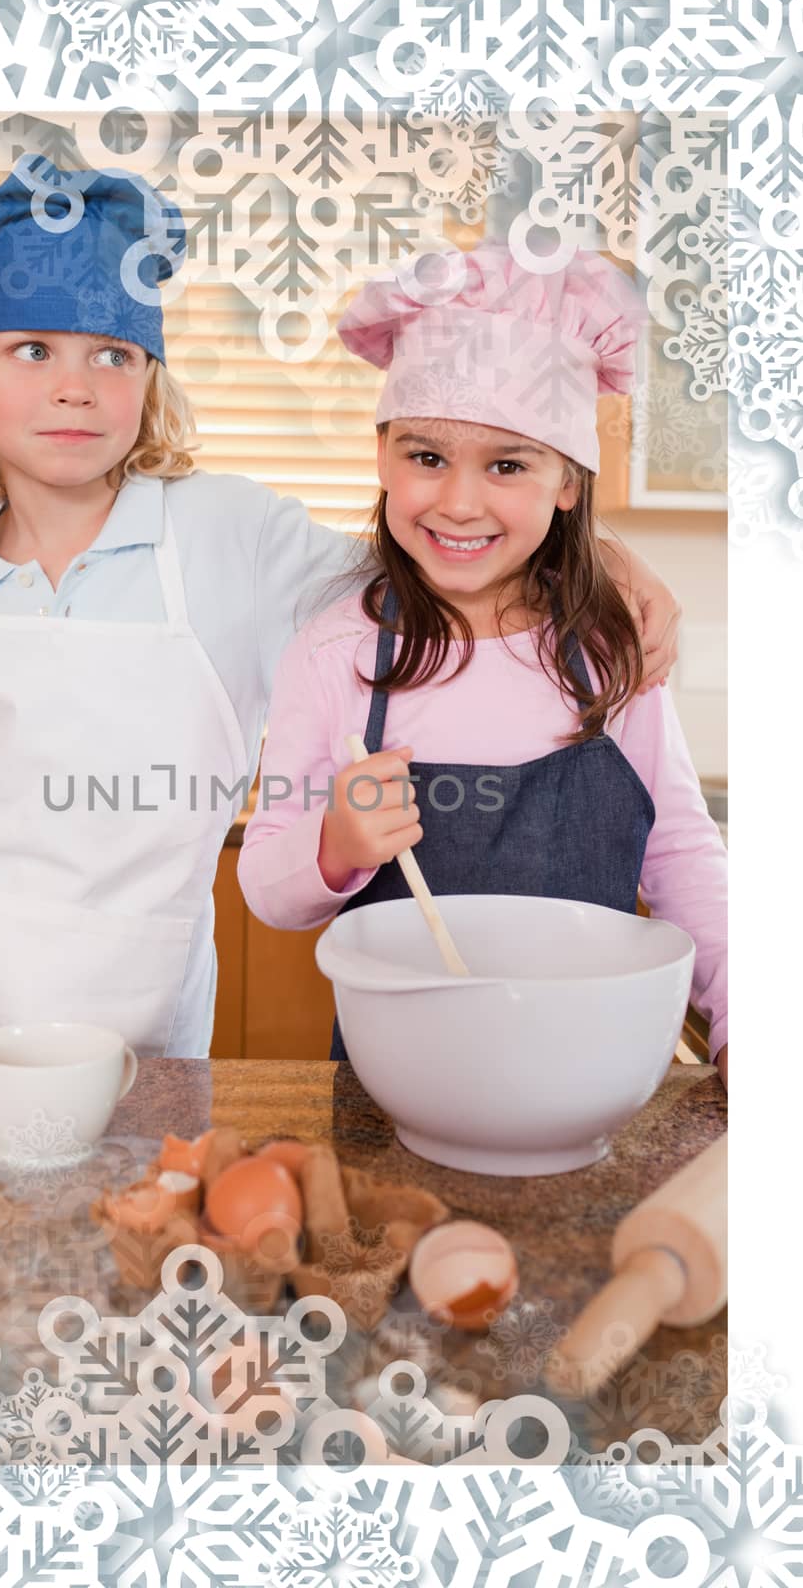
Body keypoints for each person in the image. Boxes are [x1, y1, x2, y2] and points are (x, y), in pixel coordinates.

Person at [0, 160, 683, 1060]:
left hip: (144, 1023)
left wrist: (604, 557)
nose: (74, 387)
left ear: (148, 375)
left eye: (111, 354)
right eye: (30, 349)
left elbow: (444, 559)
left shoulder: (230, 534)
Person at [237, 244, 727, 1088]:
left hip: (586, 1074)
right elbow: (266, 889)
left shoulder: (610, 651)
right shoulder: (336, 652)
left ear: (566, 482)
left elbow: (681, 853)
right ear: (383, 455)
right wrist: (334, 846)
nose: (459, 502)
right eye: (426, 457)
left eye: (507, 464)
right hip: (394, 1087)